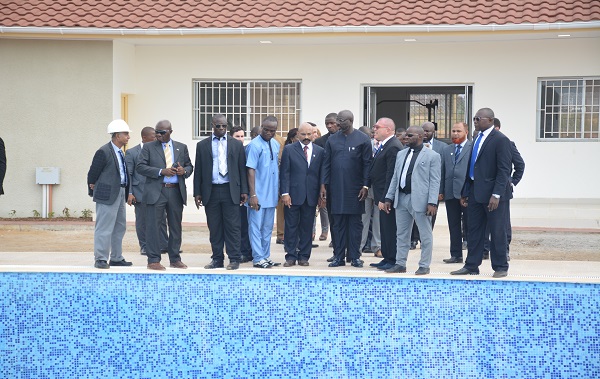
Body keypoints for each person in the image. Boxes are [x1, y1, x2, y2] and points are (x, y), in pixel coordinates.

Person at [451, 108, 512, 278]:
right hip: (476, 193)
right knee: (474, 231)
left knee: (497, 230)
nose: (475, 121)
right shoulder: (477, 138)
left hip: (494, 196)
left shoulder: (501, 140)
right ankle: (471, 265)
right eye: (474, 118)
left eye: (478, 118)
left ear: (490, 120)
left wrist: (497, 194)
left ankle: (500, 266)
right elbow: (473, 167)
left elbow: (504, 170)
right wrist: (465, 191)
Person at [382, 125, 441, 275]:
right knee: (401, 234)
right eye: (406, 136)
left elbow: (435, 181)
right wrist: (389, 197)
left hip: (420, 201)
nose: (406, 138)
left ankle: (424, 265)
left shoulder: (432, 156)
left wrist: (432, 202)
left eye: (410, 136)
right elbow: (395, 177)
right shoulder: (401, 154)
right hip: (401, 199)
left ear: (420, 137)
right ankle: (400, 263)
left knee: (425, 235)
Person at [137, 120, 193, 271]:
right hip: (157, 190)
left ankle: (175, 259)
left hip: (175, 191)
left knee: (175, 226)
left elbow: (189, 166)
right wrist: (161, 171)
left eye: (162, 132)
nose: (159, 135)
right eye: (157, 132)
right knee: (153, 227)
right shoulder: (149, 147)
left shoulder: (181, 147)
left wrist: (184, 171)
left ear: (170, 132)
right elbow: (140, 167)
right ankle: (153, 260)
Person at [194, 114, 248, 270]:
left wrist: (244, 190)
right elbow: (199, 170)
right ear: (212, 125)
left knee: (233, 227)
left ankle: (234, 258)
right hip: (210, 191)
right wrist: (197, 192)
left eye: (225, 126)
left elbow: (241, 169)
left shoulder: (236, 145)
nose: (222, 129)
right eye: (219, 126)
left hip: (230, 190)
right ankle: (217, 259)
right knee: (215, 227)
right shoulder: (202, 145)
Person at [321, 110, 372, 268]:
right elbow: (326, 164)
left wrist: (365, 185)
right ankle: (338, 256)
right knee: (338, 225)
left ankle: (355, 256)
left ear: (350, 121)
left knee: (355, 225)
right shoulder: (332, 140)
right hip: (336, 189)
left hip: (355, 190)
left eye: (341, 121)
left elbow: (367, 165)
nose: (337, 123)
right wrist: (323, 185)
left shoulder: (363, 139)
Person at [86, 119, 134, 269]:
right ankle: (100, 258)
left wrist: (127, 192)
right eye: (126, 134)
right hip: (107, 194)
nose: (128, 137)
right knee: (104, 227)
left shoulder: (120, 152)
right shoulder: (104, 151)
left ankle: (116, 257)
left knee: (119, 226)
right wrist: (93, 188)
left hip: (120, 192)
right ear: (117, 135)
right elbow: (92, 173)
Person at [279, 122, 325, 266]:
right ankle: (291, 256)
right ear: (298, 134)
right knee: (291, 227)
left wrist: (321, 194)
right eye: (303, 134)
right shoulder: (289, 149)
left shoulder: (320, 151)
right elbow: (284, 173)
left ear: (314, 134)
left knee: (306, 227)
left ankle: (304, 256)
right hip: (292, 195)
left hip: (311, 196)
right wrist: (285, 193)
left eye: (309, 134)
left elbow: (321, 175)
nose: (306, 137)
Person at [481, 117, 525, 260]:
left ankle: (504, 251)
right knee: (484, 223)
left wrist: (511, 181)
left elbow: (520, 165)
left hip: (501, 193)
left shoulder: (506, 143)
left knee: (502, 224)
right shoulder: (479, 143)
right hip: (484, 191)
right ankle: (485, 250)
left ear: (497, 128)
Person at [125, 126, 168, 256]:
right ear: (144, 138)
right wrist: (130, 193)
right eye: (154, 136)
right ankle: (144, 246)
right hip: (140, 192)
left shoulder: (160, 150)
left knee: (161, 219)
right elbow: (129, 174)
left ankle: (164, 245)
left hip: (158, 191)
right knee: (143, 220)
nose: (157, 138)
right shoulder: (132, 153)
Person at [246, 116, 281, 268]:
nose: (268, 133)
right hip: (258, 196)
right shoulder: (254, 145)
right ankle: (257, 257)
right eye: (265, 129)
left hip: (271, 195)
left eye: (272, 131)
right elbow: (250, 170)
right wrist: (253, 195)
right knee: (255, 227)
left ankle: (265, 256)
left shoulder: (275, 144)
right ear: (261, 127)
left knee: (267, 229)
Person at [368, 118, 403, 271]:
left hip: (387, 196)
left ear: (388, 130)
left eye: (377, 127)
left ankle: (393, 259)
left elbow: (391, 175)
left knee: (390, 229)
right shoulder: (384, 145)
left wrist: (385, 198)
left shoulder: (393, 146)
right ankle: (387, 257)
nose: (374, 129)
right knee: (384, 228)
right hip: (380, 194)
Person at [410, 121, 447, 249]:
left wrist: (440, 190)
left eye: (428, 131)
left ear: (433, 132)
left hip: (434, 188)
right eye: (423, 131)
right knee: (415, 214)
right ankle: (414, 239)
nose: (425, 133)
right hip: (417, 188)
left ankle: (424, 239)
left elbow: (443, 171)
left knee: (431, 215)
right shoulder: (414, 146)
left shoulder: (442, 147)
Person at [439, 122, 472, 264]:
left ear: (466, 132)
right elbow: (442, 172)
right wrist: (441, 191)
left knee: (470, 225)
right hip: (451, 193)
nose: (455, 133)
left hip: (466, 194)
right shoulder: (447, 150)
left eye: (458, 131)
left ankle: (473, 255)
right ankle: (456, 255)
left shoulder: (472, 148)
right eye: (453, 131)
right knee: (453, 225)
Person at [314, 113, 339, 251]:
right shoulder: (320, 142)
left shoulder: (346, 139)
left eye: (332, 123)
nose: (329, 126)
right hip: (326, 184)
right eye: (327, 123)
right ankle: (335, 241)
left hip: (343, 185)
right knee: (331, 214)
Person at [230, 126, 253, 263]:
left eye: (242, 136)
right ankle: (238, 251)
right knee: (236, 225)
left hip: (246, 194)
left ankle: (247, 251)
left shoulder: (246, 151)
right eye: (237, 136)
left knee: (246, 225)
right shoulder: (230, 152)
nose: (240, 139)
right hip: (234, 194)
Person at [359, 125, 381, 258]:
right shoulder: (363, 147)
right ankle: (358, 247)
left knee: (378, 219)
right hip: (364, 186)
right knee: (363, 218)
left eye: (373, 133)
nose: (372, 136)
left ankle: (377, 247)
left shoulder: (384, 146)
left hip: (378, 187)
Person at [309, 122, 329, 241]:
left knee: (323, 207)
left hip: (321, 181)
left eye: (315, 132)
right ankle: (312, 232)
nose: (314, 134)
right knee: (311, 208)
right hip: (311, 182)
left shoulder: (321, 147)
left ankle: (325, 230)